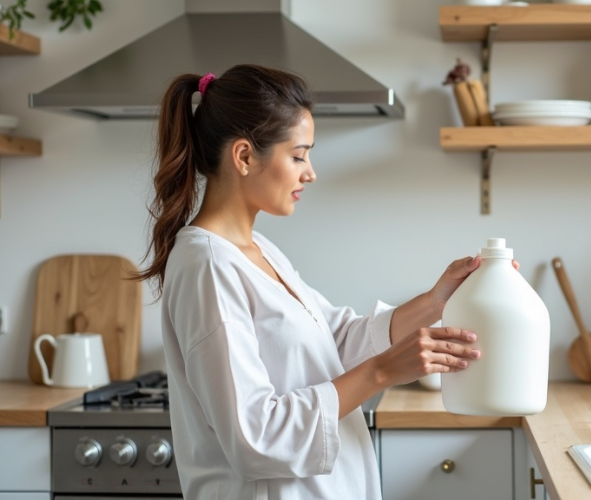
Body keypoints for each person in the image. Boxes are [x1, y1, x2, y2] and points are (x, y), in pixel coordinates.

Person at [135, 65, 491, 499]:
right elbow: (255, 436)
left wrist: (437, 300)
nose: (310, 173)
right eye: (299, 155)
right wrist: (380, 373)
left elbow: (334, 342)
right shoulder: (207, 266)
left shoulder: (260, 252)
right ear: (245, 157)